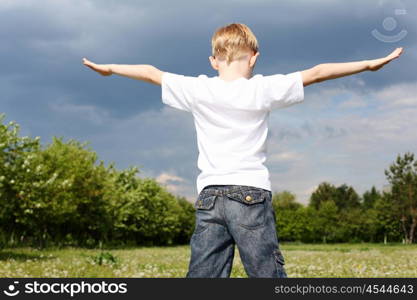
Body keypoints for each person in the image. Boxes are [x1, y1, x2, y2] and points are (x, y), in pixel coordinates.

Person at [82, 23, 403, 278]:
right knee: (267, 273)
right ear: (254, 57)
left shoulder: (197, 88)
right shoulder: (262, 88)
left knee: (203, 275)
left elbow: (151, 71)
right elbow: (317, 72)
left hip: (209, 197)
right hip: (250, 194)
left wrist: (108, 67)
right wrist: (368, 64)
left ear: (213, 60)